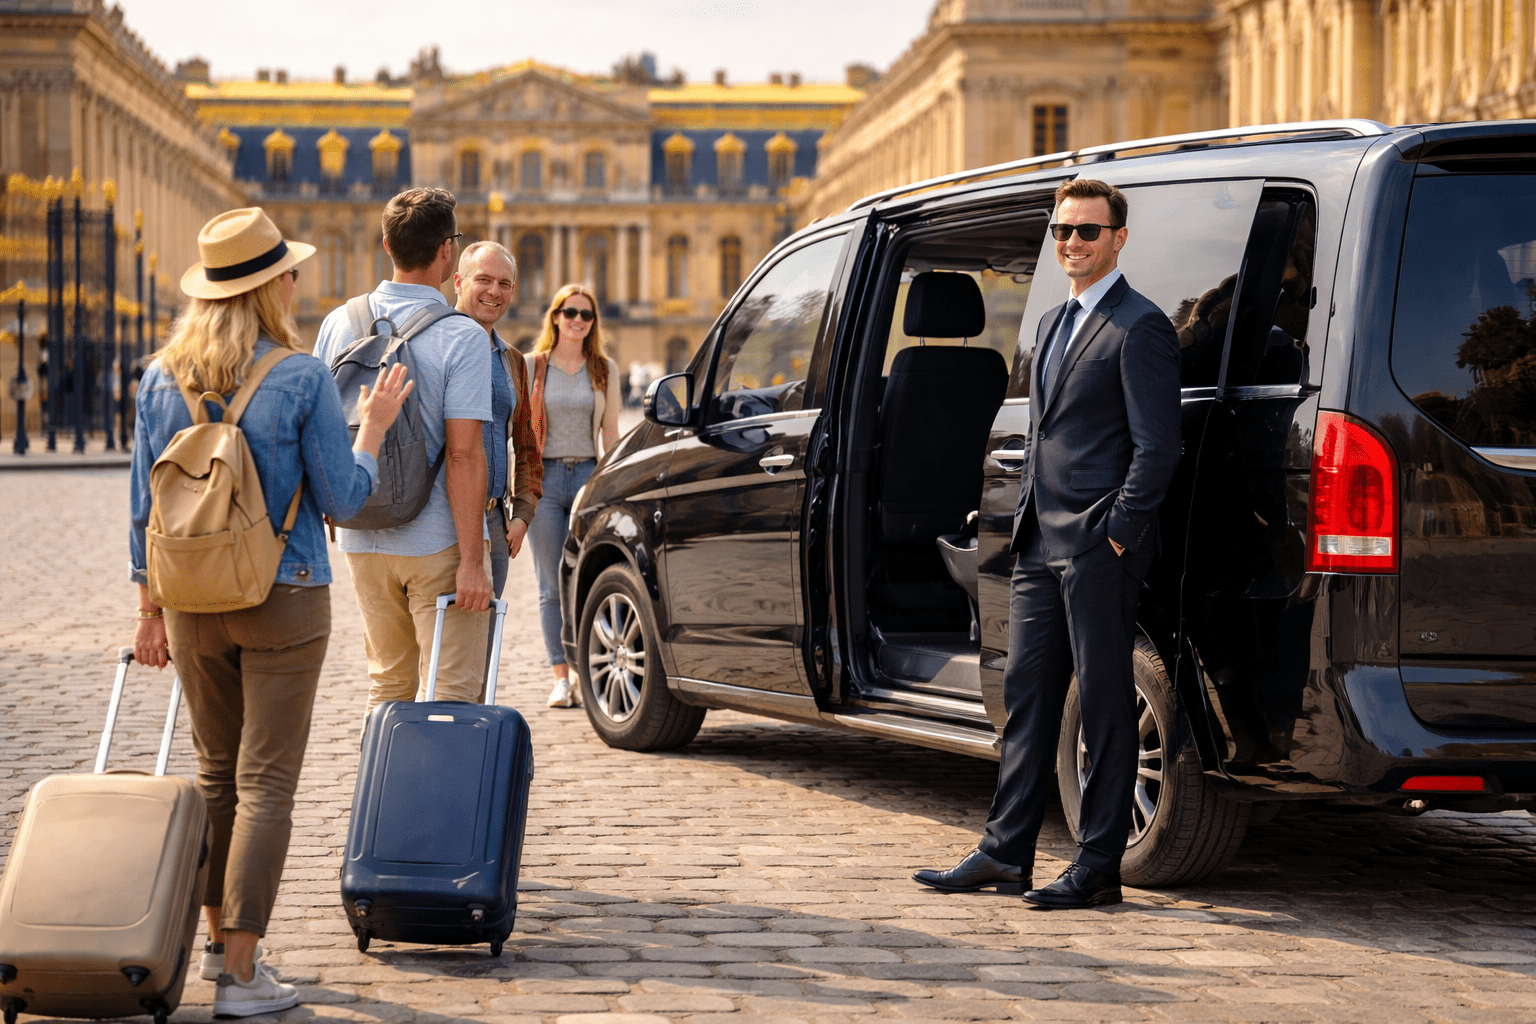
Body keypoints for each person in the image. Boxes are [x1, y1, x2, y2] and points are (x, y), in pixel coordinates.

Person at [129, 207, 411, 1017]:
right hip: (282, 592)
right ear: (268, 289)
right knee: (267, 784)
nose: (297, 279)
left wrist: (147, 607)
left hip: (187, 599)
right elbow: (345, 498)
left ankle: (219, 943)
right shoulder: (298, 375)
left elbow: (139, 507)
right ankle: (243, 977)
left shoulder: (158, 378)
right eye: (288, 271)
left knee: (215, 775)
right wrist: (374, 429)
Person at [912, 179, 1182, 909]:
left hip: (1097, 547)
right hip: (1038, 545)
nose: (1071, 242)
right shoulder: (1055, 323)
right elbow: (1047, 434)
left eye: (1087, 232)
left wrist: (1119, 535)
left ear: (1118, 238)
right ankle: (1006, 853)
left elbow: (1158, 449)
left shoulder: (1140, 326)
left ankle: (1098, 867)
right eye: (1062, 230)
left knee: (1102, 703)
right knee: (1026, 698)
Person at [313, 187, 495, 713]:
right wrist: (472, 562)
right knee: (451, 693)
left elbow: (321, 430)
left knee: (386, 688)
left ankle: (383, 795)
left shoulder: (338, 323)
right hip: (435, 539)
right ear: (447, 252)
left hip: (361, 538)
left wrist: (336, 509)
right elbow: (464, 456)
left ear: (385, 245)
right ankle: (440, 799)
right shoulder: (462, 336)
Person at [526, 283, 620, 707]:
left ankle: (586, 672)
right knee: (550, 584)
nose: (578, 321)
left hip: (586, 476)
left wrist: (614, 486)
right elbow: (519, 432)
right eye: (570, 313)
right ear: (555, 316)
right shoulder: (532, 366)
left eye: (586, 315)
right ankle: (561, 678)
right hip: (543, 482)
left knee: (584, 580)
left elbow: (611, 433)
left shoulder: (604, 369)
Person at [451, 239, 543, 600]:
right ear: (458, 282)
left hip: (494, 521)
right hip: (443, 523)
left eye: (504, 284)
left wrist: (522, 513)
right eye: (484, 280)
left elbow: (527, 444)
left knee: (486, 647)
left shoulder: (512, 360)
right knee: (445, 649)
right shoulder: (435, 344)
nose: (494, 292)